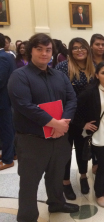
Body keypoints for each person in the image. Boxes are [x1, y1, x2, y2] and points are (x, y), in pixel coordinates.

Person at [8, 33, 79, 221]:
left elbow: (71, 99)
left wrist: (64, 122)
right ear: (30, 50)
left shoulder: (59, 75)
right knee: (30, 181)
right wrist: (54, 123)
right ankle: (27, 216)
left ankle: (56, 203)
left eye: (48, 50)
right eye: (39, 49)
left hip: (59, 136)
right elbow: (24, 106)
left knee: (56, 175)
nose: (44, 53)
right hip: (32, 140)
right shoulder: (19, 76)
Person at [73, 62, 104, 207]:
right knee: (103, 165)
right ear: (97, 75)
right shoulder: (90, 92)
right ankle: (99, 193)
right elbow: (75, 110)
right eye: (103, 73)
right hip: (99, 135)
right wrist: (84, 124)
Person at [55, 37, 95, 200]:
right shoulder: (62, 67)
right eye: (75, 48)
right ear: (70, 51)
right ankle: (65, 182)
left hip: (88, 118)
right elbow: (60, 95)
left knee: (83, 149)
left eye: (82, 47)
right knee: (65, 152)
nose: (79, 50)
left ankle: (83, 176)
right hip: (67, 118)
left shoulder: (93, 67)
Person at [0, 33, 16, 171]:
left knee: (6, 129)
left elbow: (0, 80)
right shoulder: (7, 55)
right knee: (8, 127)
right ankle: (13, 153)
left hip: (3, 99)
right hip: (6, 99)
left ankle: (7, 159)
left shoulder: (2, 57)